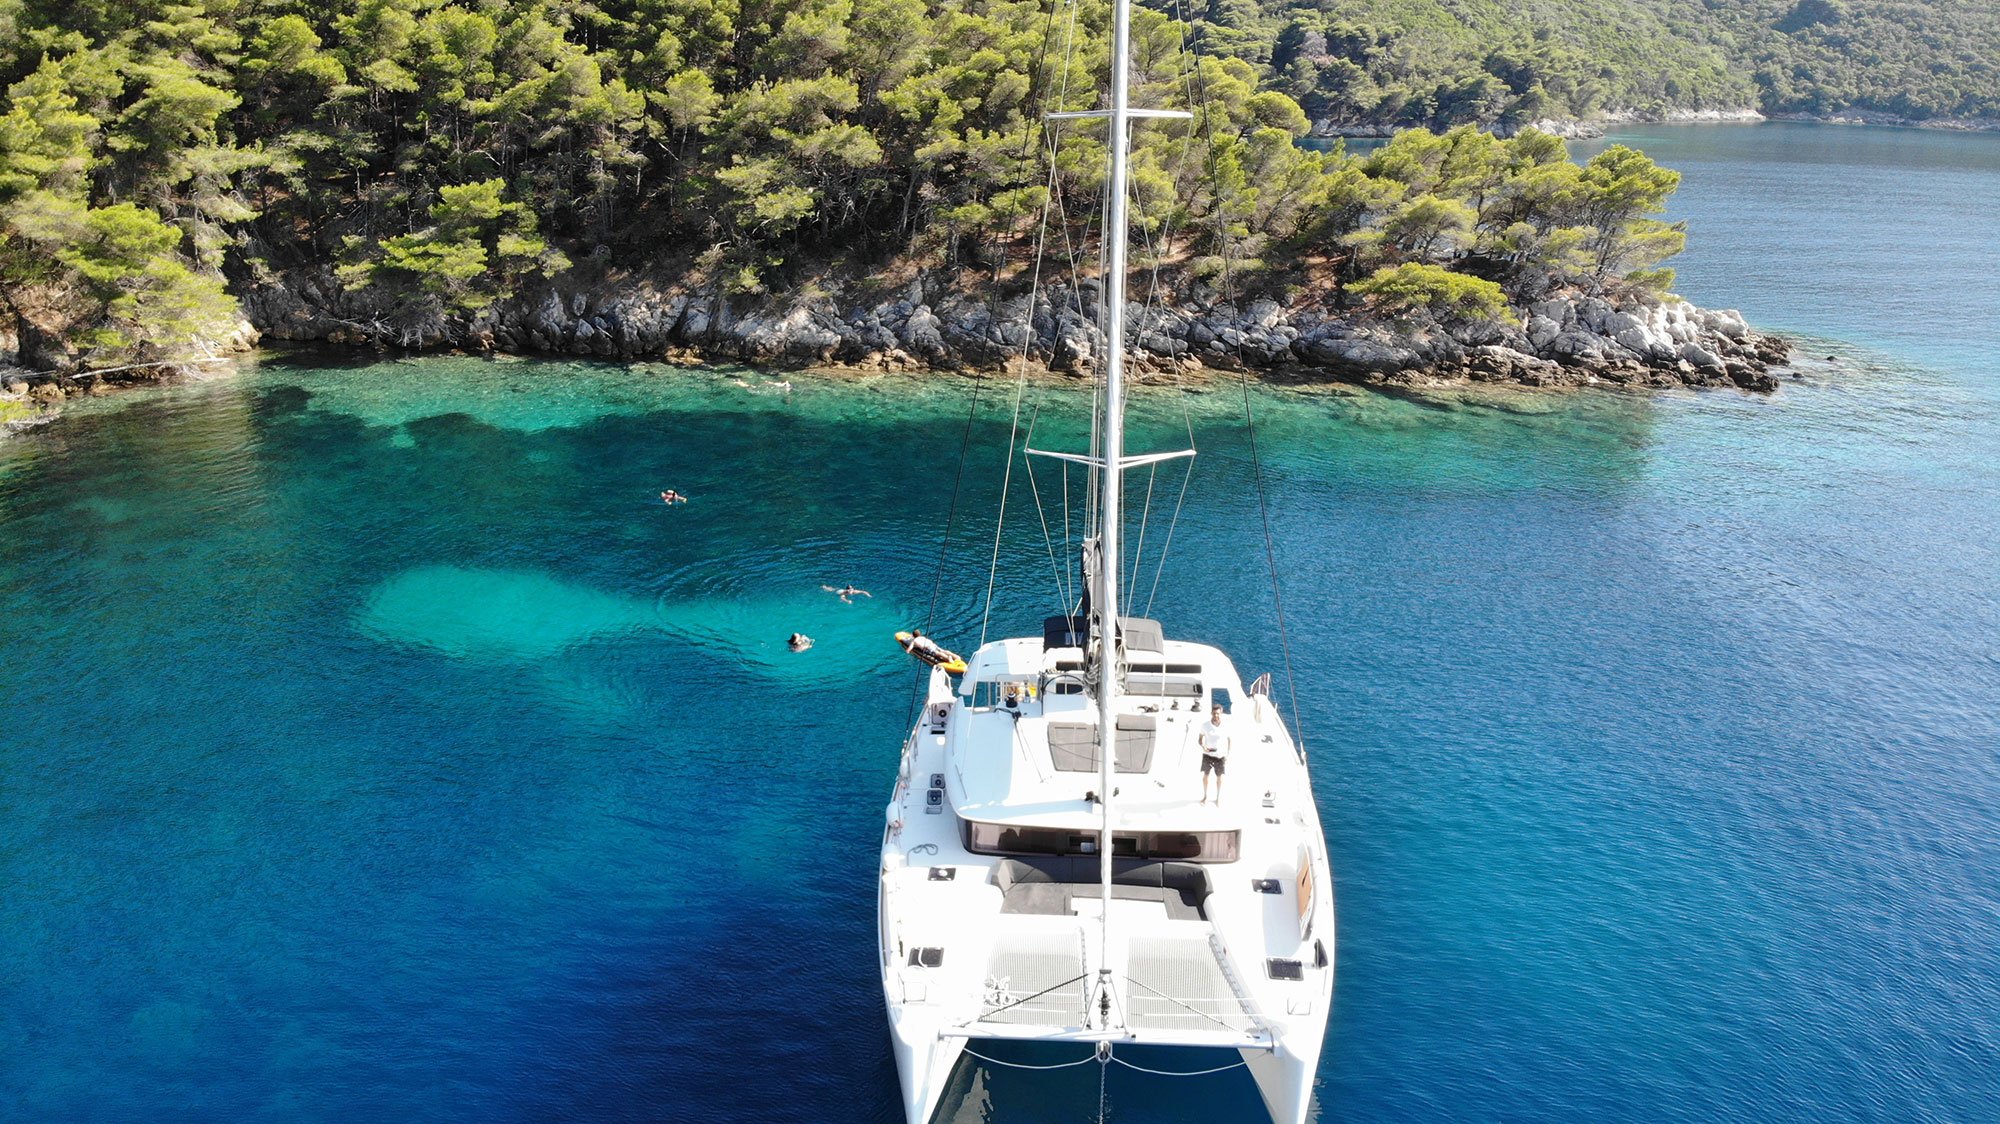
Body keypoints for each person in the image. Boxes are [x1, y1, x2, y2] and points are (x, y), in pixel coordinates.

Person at [1198, 703, 1230, 805]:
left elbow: (1229, 740)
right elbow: (1200, 739)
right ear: (1211, 713)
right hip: (1208, 755)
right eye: (1214, 713)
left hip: (1220, 756)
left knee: (1219, 778)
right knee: (1205, 776)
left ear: (1221, 714)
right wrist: (1203, 747)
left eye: (1218, 713)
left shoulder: (1225, 726)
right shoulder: (1205, 725)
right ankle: (1205, 796)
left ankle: (1218, 797)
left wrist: (1227, 755)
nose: (1216, 715)